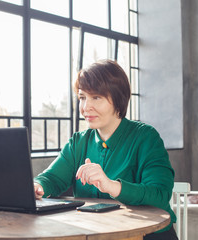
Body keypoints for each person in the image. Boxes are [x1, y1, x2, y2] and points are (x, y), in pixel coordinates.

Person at [33, 59, 178, 240]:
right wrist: (37, 187)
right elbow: (51, 179)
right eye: (82, 97)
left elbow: (160, 195)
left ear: (118, 98)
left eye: (97, 97)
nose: (86, 107)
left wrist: (111, 186)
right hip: (96, 234)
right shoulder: (78, 142)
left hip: (148, 235)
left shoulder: (146, 137)